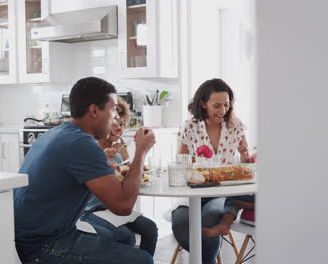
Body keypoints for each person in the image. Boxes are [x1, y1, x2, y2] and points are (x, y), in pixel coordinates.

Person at [13, 77, 156, 264]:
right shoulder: (81, 143)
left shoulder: (57, 133)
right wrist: (141, 152)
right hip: (44, 246)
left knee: (123, 238)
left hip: (27, 238)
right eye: (112, 109)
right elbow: (123, 206)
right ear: (94, 110)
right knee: (142, 260)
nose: (116, 117)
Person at [171, 78, 254, 264]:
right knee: (181, 222)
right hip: (192, 191)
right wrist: (193, 164)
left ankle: (204, 260)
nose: (223, 110)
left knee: (210, 217)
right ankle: (207, 259)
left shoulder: (236, 126)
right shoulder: (190, 127)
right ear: (203, 103)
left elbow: (246, 165)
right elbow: (180, 163)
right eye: (217, 105)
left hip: (222, 192)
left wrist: (243, 156)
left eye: (226, 105)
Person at [81, 96, 158, 256]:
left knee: (150, 228)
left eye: (121, 124)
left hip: (113, 209)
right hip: (91, 210)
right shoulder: (91, 150)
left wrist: (125, 156)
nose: (119, 129)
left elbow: (127, 183)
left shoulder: (118, 152)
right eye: (114, 124)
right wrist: (102, 157)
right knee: (125, 236)